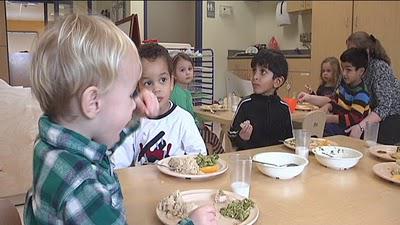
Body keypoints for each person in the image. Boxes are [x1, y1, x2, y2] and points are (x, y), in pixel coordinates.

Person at [24, 14, 216, 225]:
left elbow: (104, 134)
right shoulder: (81, 187)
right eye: (129, 95)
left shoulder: (53, 145)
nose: (135, 102)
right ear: (94, 102)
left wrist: (134, 116)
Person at [112, 44, 207, 167]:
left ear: (172, 82)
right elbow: (119, 164)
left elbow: (200, 156)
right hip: (142, 184)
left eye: (163, 80)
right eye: (148, 83)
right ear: (138, 87)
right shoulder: (134, 121)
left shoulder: (183, 119)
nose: (156, 89)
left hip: (177, 184)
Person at [228, 49, 293, 150]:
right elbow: (232, 135)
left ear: (278, 81)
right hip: (248, 160)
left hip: (274, 162)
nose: (255, 77)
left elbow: (288, 141)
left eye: (263, 72)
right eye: (254, 70)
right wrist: (241, 137)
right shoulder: (246, 104)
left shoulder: (283, 108)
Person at [298, 48, 370, 136]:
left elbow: (352, 119)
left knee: (322, 130)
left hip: (350, 130)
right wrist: (327, 106)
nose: (344, 73)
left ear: (361, 71)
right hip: (339, 125)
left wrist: (327, 118)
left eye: (348, 70)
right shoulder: (344, 84)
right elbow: (335, 100)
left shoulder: (362, 93)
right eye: (343, 69)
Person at [345, 31, 400, 144]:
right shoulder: (357, 69)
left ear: (366, 52)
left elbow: (384, 107)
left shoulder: (379, 67)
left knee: (368, 141)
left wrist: (361, 127)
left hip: (393, 116)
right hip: (374, 114)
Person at [171, 52, 224, 154]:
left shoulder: (185, 92)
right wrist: (198, 124)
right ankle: (220, 160)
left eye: (190, 69)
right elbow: (184, 117)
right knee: (213, 138)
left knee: (208, 133)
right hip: (183, 133)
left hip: (188, 129)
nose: (187, 72)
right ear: (174, 74)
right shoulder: (178, 93)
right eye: (182, 70)